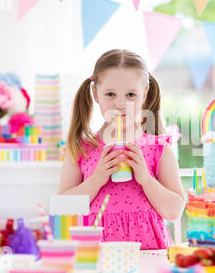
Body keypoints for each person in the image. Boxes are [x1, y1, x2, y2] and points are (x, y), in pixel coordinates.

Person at [58, 49, 185, 249]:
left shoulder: (158, 148)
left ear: (144, 94)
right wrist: (96, 180)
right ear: (95, 94)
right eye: (110, 94)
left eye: (130, 95)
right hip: (96, 251)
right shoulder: (81, 148)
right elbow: (63, 208)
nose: (120, 103)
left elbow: (174, 211)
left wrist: (146, 179)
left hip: (148, 249)